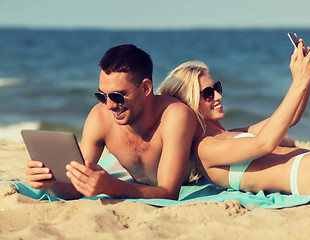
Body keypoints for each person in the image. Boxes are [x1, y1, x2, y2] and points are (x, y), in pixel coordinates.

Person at [158, 39, 310, 202]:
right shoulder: (204, 149)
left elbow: (292, 118)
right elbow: (265, 143)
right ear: (190, 102)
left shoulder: (228, 134)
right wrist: (299, 81)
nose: (218, 96)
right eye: (208, 93)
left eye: (216, 88)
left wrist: (307, 77)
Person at [25, 44, 197, 200]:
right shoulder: (100, 118)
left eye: (117, 96)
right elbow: (75, 190)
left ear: (146, 88)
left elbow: (169, 193)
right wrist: (50, 182)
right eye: (102, 96)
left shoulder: (175, 116)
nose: (109, 106)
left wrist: (112, 187)